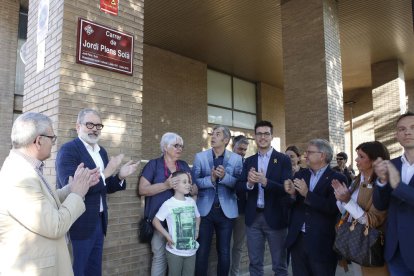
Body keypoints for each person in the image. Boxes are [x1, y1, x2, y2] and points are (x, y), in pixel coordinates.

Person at [0, 112, 99, 276]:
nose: (54, 143)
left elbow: (46, 203)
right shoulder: (18, 178)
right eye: (52, 138)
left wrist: (71, 188)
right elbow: (55, 225)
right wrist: (77, 194)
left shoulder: (28, 168)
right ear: (38, 141)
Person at [56, 108, 139, 276]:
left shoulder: (101, 152)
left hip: (99, 221)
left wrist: (120, 176)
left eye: (98, 125)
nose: (94, 128)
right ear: (78, 126)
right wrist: (107, 172)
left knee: (94, 270)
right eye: (90, 124)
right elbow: (71, 187)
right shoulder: (69, 150)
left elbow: (105, 186)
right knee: (77, 270)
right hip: (78, 223)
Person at [284, 139, 347, 276]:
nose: (305, 155)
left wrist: (307, 194)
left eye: (309, 152)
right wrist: (292, 195)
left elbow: (332, 208)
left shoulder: (337, 178)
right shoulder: (301, 174)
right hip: (298, 239)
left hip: (322, 242)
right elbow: (291, 205)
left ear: (322, 155)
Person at [236, 121, 291, 276]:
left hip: (276, 218)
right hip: (253, 218)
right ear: (255, 137)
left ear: (272, 136)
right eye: (259, 133)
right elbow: (238, 187)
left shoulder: (283, 159)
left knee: (279, 265)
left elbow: (287, 189)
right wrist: (249, 183)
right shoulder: (249, 161)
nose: (263, 137)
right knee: (255, 264)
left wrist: (266, 182)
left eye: (266, 133)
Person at [138, 132, 193, 276]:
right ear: (164, 147)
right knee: (160, 257)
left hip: (181, 223)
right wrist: (165, 185)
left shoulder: (184, 165)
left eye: (181, 146)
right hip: (159, 223)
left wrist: (190, 186)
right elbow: (142, 190)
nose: (180, 148)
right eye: (176, 145)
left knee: (180, 259)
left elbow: (194, 189)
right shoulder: (153, 165)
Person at [333, 141, 389, 276]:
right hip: (356, 242)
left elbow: (372, 221)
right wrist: (341, 199)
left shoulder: (382, 184)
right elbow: (347, 213)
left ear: (375, 160)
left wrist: (346, 200)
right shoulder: (358, 179)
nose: (356, 160)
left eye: (361, 156)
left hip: (371, 245)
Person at [192, 125, 243, 276]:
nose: (213, 137)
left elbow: (238, 184)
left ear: (226, 140)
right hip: (204, 212)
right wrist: (212, 179)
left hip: (226, 212)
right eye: (212, 134)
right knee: (202, 251)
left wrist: (224, 177)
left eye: (217, 134)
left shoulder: (237, 159)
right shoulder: (200, 157)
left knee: (224, 251)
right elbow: (195, 183)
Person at [373, 111, 414, 275]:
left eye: (413, 127)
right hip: (395, 250)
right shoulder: (391, 164)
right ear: (397, 135)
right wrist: (382, 182)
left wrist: (397, 185)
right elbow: (380, 204)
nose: (408, 132)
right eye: (402, 129)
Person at [152, 171, 201, 276]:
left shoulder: (191, 202)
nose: (188, 184)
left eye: (188, 182)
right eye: (184, 182)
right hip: (175, 251)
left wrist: (197, 229)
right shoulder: (169, 204)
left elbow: (198, 216)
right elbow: (155, 221)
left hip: (191, 251)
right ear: (175, 185)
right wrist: (167, 236)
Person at [230, 135, 249, 276]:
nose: (242, 152)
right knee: (225, 246)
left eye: (244, 149)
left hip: (242, 211)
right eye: (240, 148)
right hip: (225, 210)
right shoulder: (224, 162)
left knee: (238, 246)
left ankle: (234, 273)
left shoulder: (248, 164)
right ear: (232, 147)